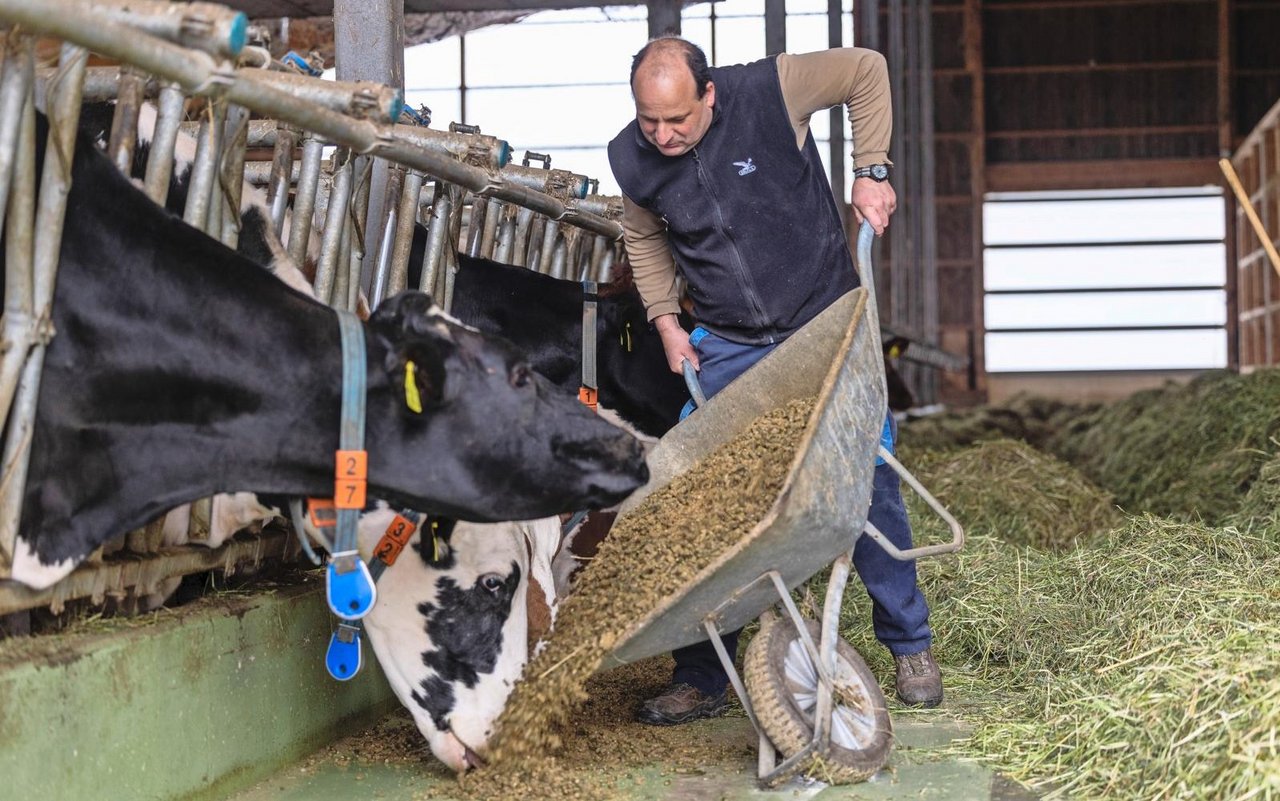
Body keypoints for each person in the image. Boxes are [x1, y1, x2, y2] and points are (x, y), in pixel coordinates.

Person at [607, 37, 942, 725]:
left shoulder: (771, 90)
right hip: (727, 340)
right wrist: (667, 321)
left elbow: (867, 70)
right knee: (716, 499)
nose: (664, 136)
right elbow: (642, 235)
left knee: (866, 473)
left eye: (678, 119)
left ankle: (910, 645)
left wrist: (871, 168)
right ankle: (703, 674)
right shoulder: (630, 155)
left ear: (709, 94)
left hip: (821, 323)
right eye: (650, 121)